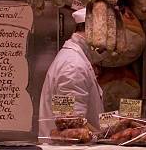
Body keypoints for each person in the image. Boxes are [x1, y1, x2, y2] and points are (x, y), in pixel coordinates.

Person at [39, 7, 104, 136]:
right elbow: (72, 125)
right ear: (93, 31)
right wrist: (105, 135)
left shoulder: (75, 58)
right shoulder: (74, 66)